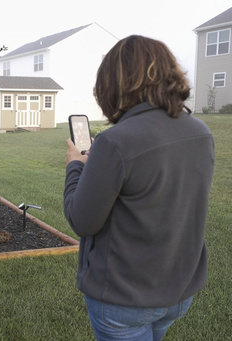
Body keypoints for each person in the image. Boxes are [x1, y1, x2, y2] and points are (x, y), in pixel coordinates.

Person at [63, 35, 214, 340]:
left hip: (123, 300)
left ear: (115, 83)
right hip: (179, 293)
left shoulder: (115, 141)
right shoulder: (200, 132)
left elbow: (83, 221)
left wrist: (75, 166)